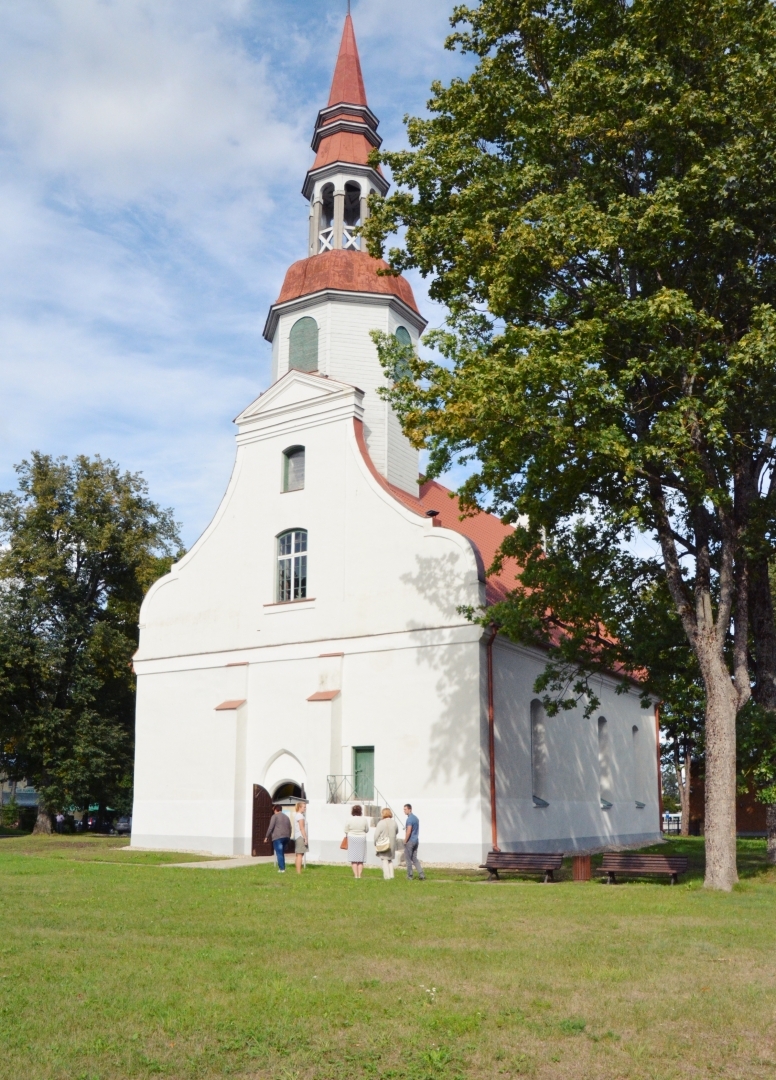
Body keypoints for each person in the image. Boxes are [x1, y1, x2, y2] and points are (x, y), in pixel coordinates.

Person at [343, 804, 369, 878]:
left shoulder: (349, 819)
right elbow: (367, 830)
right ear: (361, 811)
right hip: (362, 838)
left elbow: (345, 830)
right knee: (361, 858)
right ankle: (360, 875)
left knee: (353, 858)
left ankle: (355, 875)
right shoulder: (364, 819)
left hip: (352, 838)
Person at [373, 807, 399, 880]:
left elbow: (376, 834)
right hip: (392, 842)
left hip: (384, 843)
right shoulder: (394, 822)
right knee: (390, 860)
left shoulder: (381, 823)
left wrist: (375, 842)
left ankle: (386, 876)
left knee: (384, 859)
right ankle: (392, 875)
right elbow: (397, 831)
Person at [265, 804, 292, 872]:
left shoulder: (275, 816)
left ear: (275, 810)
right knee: (282, 852)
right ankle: (282, 867)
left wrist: (266, 836)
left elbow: (271, 827)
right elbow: (290, 827)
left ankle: (282, 869)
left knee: (279, 853)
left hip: (278, 837)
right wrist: (289, 836)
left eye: (273, 810)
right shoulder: (286, 817)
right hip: (286, 837)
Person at [403, 803, 425, 880]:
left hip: (410, 841)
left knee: (408, 859)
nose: (404, 811)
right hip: (416, 840)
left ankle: (410, 875)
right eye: (404, 809)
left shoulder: (409, 819)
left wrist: (405, 840)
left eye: (405, 809)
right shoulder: (416, 818)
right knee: (414, 859)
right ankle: (421, 874)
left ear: (410, 809)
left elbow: (409, 831)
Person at [293, 801, 308, 874]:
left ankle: (298, 871)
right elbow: (302, 828)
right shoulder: (300, 816)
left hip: (297, 836)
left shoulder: (297, 815)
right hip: (300, 836)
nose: (305, 808)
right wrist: (305, 838)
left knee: (298, 854)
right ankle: (298, 872)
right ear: (300, 807)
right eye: (304, 807)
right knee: (300, 854)